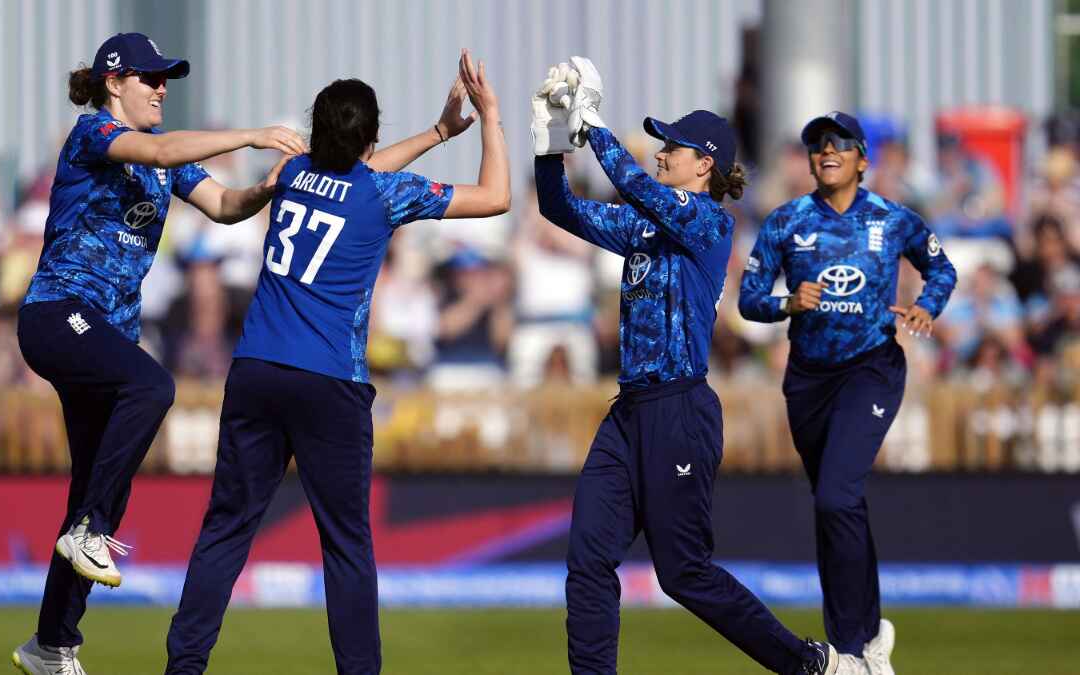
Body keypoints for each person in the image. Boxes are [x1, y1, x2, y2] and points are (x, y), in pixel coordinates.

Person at [163, 49, 509, 675]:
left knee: (225, 530)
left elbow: (357, 171)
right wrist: (487, 117)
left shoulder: (292, 173)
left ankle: (183, 667)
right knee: (346, 546)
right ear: (369, 137)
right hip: (330, 382)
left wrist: (436, 134)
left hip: (257, 371)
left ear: (315, 131)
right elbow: (495, 197)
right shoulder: (381, 193)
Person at [11, 32, 308, 675]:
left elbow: (225, 207)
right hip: (57, 314)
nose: (160, 88)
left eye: (165, 78)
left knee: (94, 492)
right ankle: (87, 535)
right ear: (114, 83)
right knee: (152, 388)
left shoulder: (164, 162)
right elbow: (164, 148)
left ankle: (51, 645)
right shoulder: (94, 133)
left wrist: (266, 187)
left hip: (104, 335)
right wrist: (252, 134)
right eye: (148, 78)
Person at [535, 58, 839, 675]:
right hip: (629, 414)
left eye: (669, 146)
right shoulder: (646, 226)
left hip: (680, 409)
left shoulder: (706, 221)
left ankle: (809, 664)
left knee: (684, 574)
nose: (659, 154)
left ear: (703, 163)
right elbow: (559, 210)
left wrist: (594, 126)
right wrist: (549, 139)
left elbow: (641, 191)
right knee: (588, 559)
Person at [738, 111, 958, 675]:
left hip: (872, 369)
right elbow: (750, 298)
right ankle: (865, 638)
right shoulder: (787, 221)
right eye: (816, 145)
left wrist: (925, 308)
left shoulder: (893, 217)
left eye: (839, 144)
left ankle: (855, 648)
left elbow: (942, 270)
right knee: (835, 506)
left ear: (863, 159)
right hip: (809, 379)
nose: (826, 151)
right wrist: (789, 303)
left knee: (837, 496)